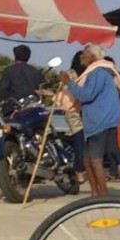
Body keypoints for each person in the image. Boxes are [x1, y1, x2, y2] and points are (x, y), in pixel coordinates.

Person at [59, 44, 120, 196]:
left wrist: (69, 83)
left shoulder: (97, 73)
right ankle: (95, 193)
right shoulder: (101, 72)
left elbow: (86, 95)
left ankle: (103, 194)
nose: (81, 56)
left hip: (100, 120)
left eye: (84, 54)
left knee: (95, 160)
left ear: (92, 57)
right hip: (100, 120)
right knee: (87, 159)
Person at [51, 51, 87, 184]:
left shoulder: (81, 74)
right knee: (79, 142)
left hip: (78, 110)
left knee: (80, 141)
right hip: (75, 111)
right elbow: (70, 93)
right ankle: (79, 171)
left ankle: (79, 168)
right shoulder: (72, 75)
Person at [102, 55, 120, 181]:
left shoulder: (115, 77)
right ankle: (114, 172)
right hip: (108, 113)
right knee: (109, 145)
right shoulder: (111, 76)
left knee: (112, 145)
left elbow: (117, 94)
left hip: (111, 114)